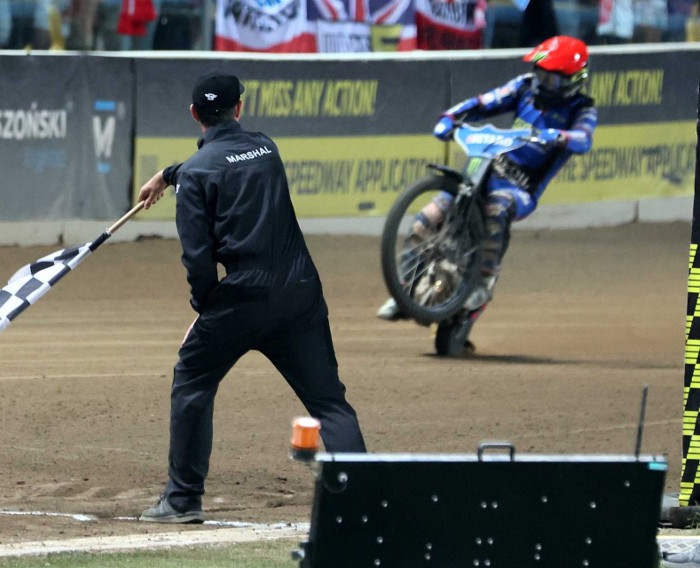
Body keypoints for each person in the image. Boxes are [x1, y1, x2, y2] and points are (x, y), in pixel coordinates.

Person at [136, 73, 368, 523]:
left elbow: (198, 259)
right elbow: (226, 159)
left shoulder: (198, 176)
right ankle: (362, 502)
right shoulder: (267, 147)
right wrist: (167, 175)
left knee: (192, 379)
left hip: (242, 296)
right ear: (239, 108)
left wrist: (206, 310)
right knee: (329, 404)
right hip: (300, 290)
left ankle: (182, 500)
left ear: (193, 115)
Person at [377, 36, 597, 341]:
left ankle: (482, 282)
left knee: (497, 208)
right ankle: (404, 290)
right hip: (485, 171)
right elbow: (485, 102)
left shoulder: (582, 108)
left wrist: (557, 136)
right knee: (425, 220)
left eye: (550, 77)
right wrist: (450, 117)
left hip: (520, 189)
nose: (542, 81)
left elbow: (584, 139)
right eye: (540, 73)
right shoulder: (523, 86)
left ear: (572, 80)